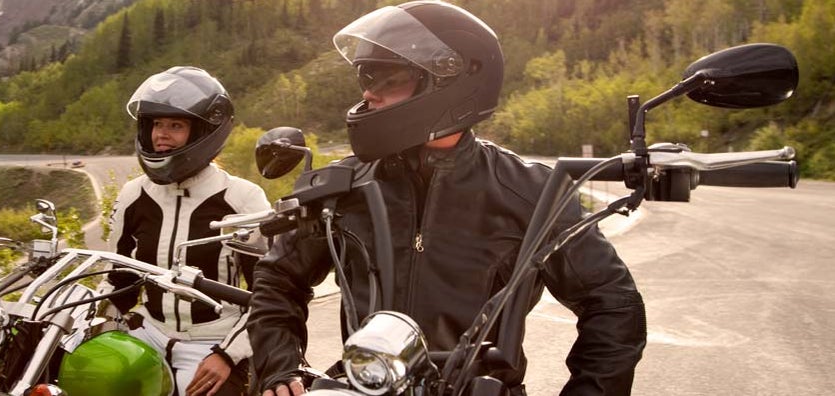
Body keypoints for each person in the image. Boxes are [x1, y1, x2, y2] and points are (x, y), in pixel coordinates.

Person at [248, 2, 647, 395]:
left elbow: (613, 304)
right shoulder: (344, 187)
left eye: (390, 78)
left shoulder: (529, 192)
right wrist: (282, 368)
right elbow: (278, 277)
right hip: (363, 387)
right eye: (367, 77)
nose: (369, 92)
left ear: (448, 80)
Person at [108, 66, 272, 396]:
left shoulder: (242, 198)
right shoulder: (133, 195)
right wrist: (101, 323)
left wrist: (228, 354)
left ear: (203, 132)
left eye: (175, 125)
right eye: (156, 124)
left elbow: (269, 295)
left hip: (214, 341)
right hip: (148, 334)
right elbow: (118, 278)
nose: (160, 134)